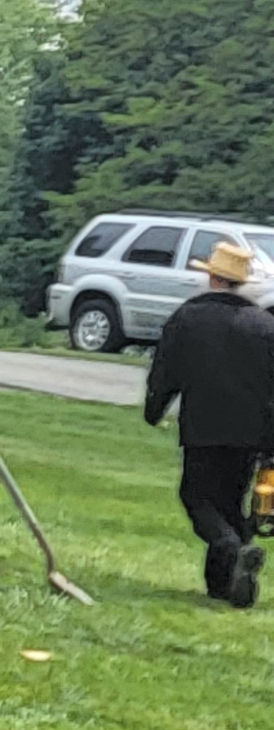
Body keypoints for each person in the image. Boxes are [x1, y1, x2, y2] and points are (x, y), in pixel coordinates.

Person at [143, 238, 274, 607]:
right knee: (230, 502)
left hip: (204, 426)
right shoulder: (264, 324)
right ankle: (224, 588)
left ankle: (233, 549)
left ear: (213, 277)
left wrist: (154, 409)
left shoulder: (188, 318)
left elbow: (165, 371)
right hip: (253, 432)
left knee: (197, 496)